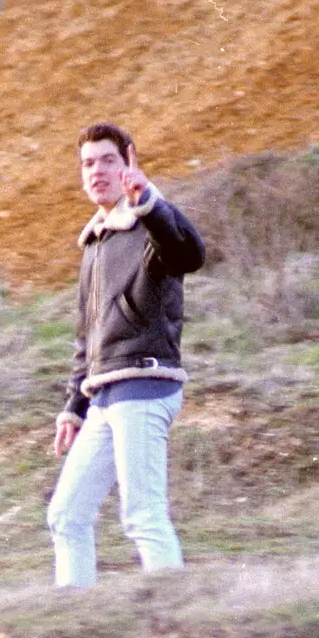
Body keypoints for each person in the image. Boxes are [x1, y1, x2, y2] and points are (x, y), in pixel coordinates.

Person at [47, 122, 206, 587]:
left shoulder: (149, 222)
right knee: (66, 515)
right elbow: (87, 340)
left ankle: (176, 621)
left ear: (129, 162)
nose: (96, 171)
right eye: (87, 163)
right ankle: (76, 620)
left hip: (144, 385)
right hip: (104, 397)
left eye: (107, 160)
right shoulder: (95, 241)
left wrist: (148, 203)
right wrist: (73, 408)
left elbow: (188, 255)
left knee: (142, 516)